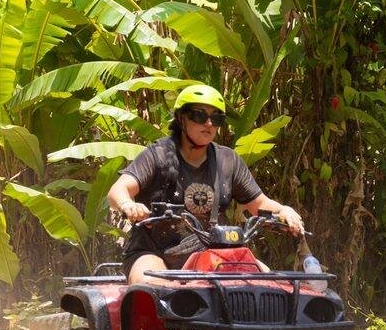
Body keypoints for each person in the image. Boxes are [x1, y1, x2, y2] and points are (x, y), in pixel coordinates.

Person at [106, 83, 304, 284]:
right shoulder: (157, 155)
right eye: (199, 115)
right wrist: (127, 204)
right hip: (153, 252)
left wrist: (283, 210)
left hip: (211, 252)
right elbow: (118, 190)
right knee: (151, 284)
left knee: (265, 282)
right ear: (181, 118)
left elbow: (259, 204)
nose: (209, 123)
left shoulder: (228, 161)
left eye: (216, 118)